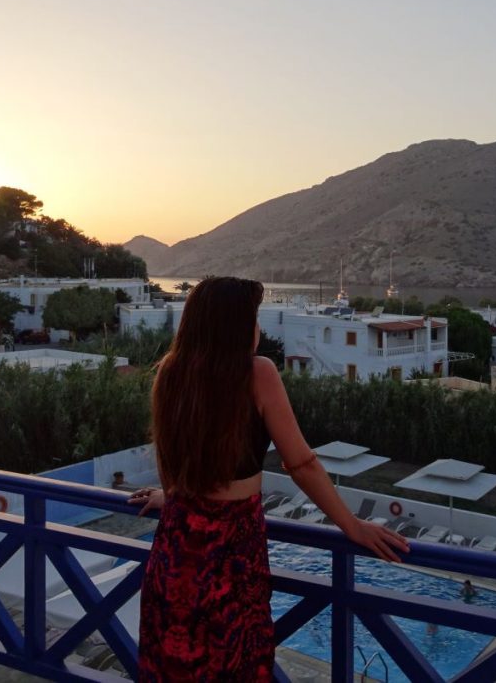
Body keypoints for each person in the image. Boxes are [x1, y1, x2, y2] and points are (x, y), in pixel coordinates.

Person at [129, 277, 409, 681]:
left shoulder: (170, 373)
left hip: (174, 551)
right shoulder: (257, 372)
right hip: (230, 554)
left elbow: (172, 457)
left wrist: (171, 498)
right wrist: (351, 525)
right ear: (235, 326)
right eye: (254, 319)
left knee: (174, 665)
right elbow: (301, 464)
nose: (259, 329)